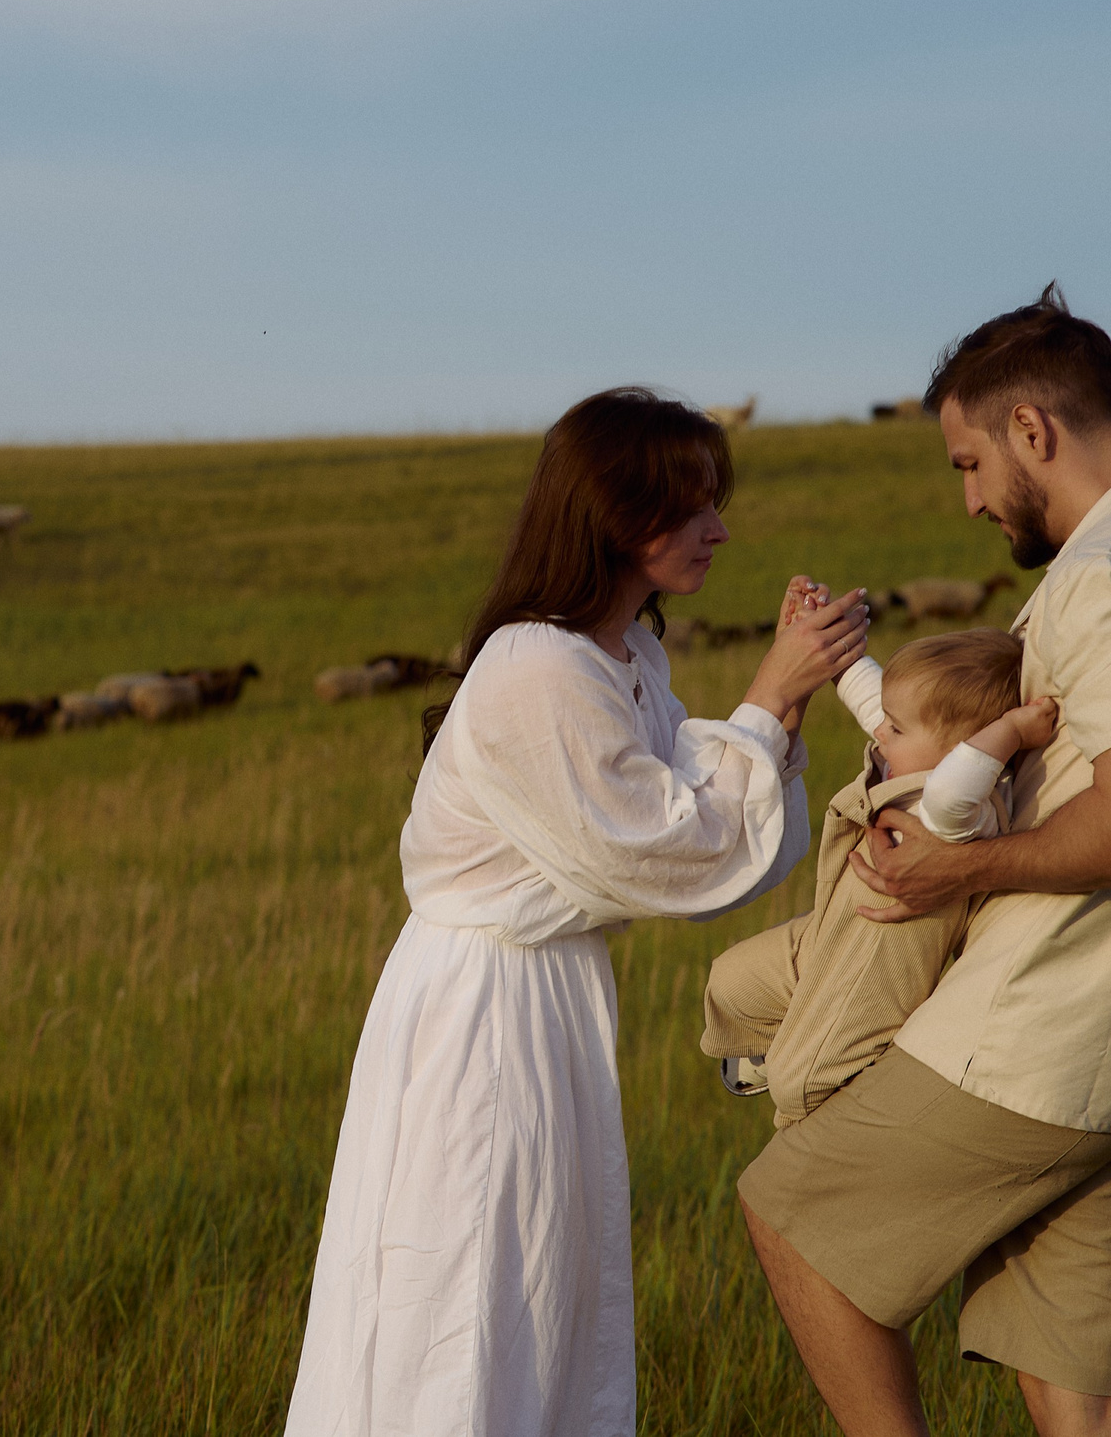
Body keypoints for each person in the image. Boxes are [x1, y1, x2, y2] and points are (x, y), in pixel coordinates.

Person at [283, 386, 869, 1437]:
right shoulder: (535, 668)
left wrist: (779, 699)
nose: (719, 529)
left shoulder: (622, 655)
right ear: (618, 514)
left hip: (545, 991)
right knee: (468, 1279)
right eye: (694, 506)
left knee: (542, 1280)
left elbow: (696, 816)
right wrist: (770, 697)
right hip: (481, 1005)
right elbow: (668, 845)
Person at [738, 286, 1111, 1437]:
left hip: (1045, 1033)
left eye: (970, 463)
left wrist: (956, 869)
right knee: (1079, 1392)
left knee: (790, 1214)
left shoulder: (1107, 574)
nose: (971, 498)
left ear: (1032, 429)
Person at [700, 619, 1062, 1128]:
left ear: (963, 749)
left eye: (896, 728)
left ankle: (818, 1110)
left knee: (796, 1081)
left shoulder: (959, 811)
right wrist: (841, 661)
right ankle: (788, 1038)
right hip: (831, 932)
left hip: (875, 965)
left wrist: (1015, 731)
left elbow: (953, 783)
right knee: (730, 980)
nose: (879, 731)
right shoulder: (918, 756)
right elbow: (879, 706)